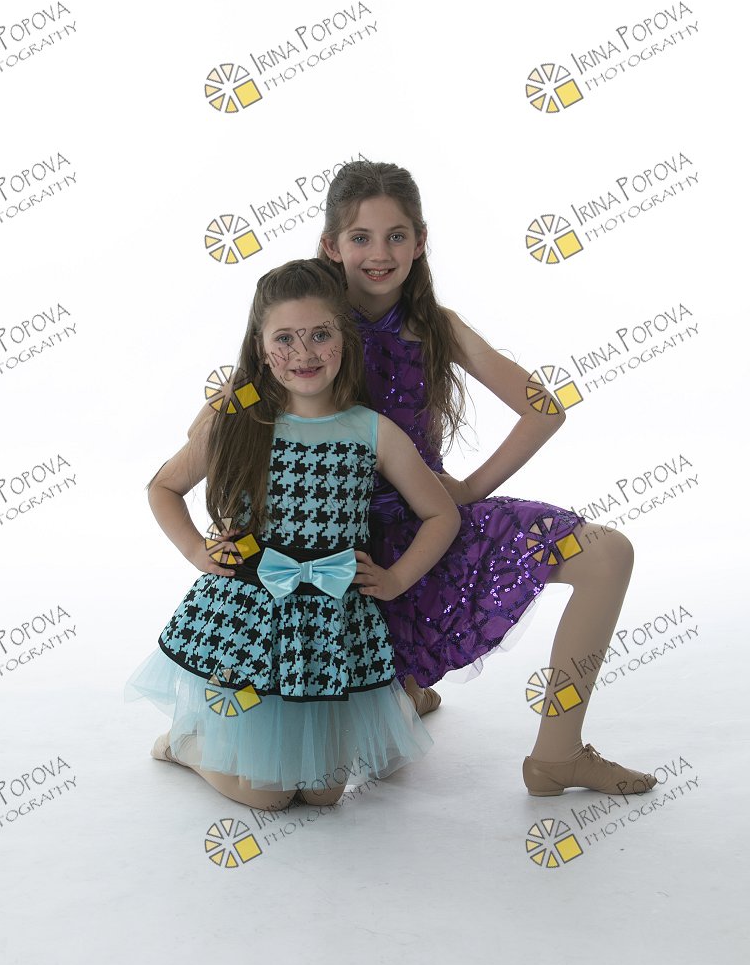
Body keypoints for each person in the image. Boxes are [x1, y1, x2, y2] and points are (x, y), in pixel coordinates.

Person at [315, 160, 657, 799]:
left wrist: (469, 489)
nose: (380, 254)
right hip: (343, 549)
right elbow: (232, 420)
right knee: (338, 778)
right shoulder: (313, 328)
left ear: (420, 242)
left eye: (396, 236)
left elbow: (543, 409)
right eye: (361, 237)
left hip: (431, 527)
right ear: (331, 246)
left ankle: (558, 753)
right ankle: (403, 686)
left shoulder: (435, 326)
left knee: (606, 553)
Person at [125, 259, 461, 811]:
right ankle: (187, 744)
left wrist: (397, 578)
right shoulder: (238, 419)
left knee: (325, 793)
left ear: (344, 338)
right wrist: (195, 549)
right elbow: (164, 487)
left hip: (328, 625)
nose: (304, 354)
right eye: (284, 339)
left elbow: (441, 514)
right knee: (269, 796)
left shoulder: (370, 429)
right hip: (252, 616)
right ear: (260, 348)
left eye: (320, 335)